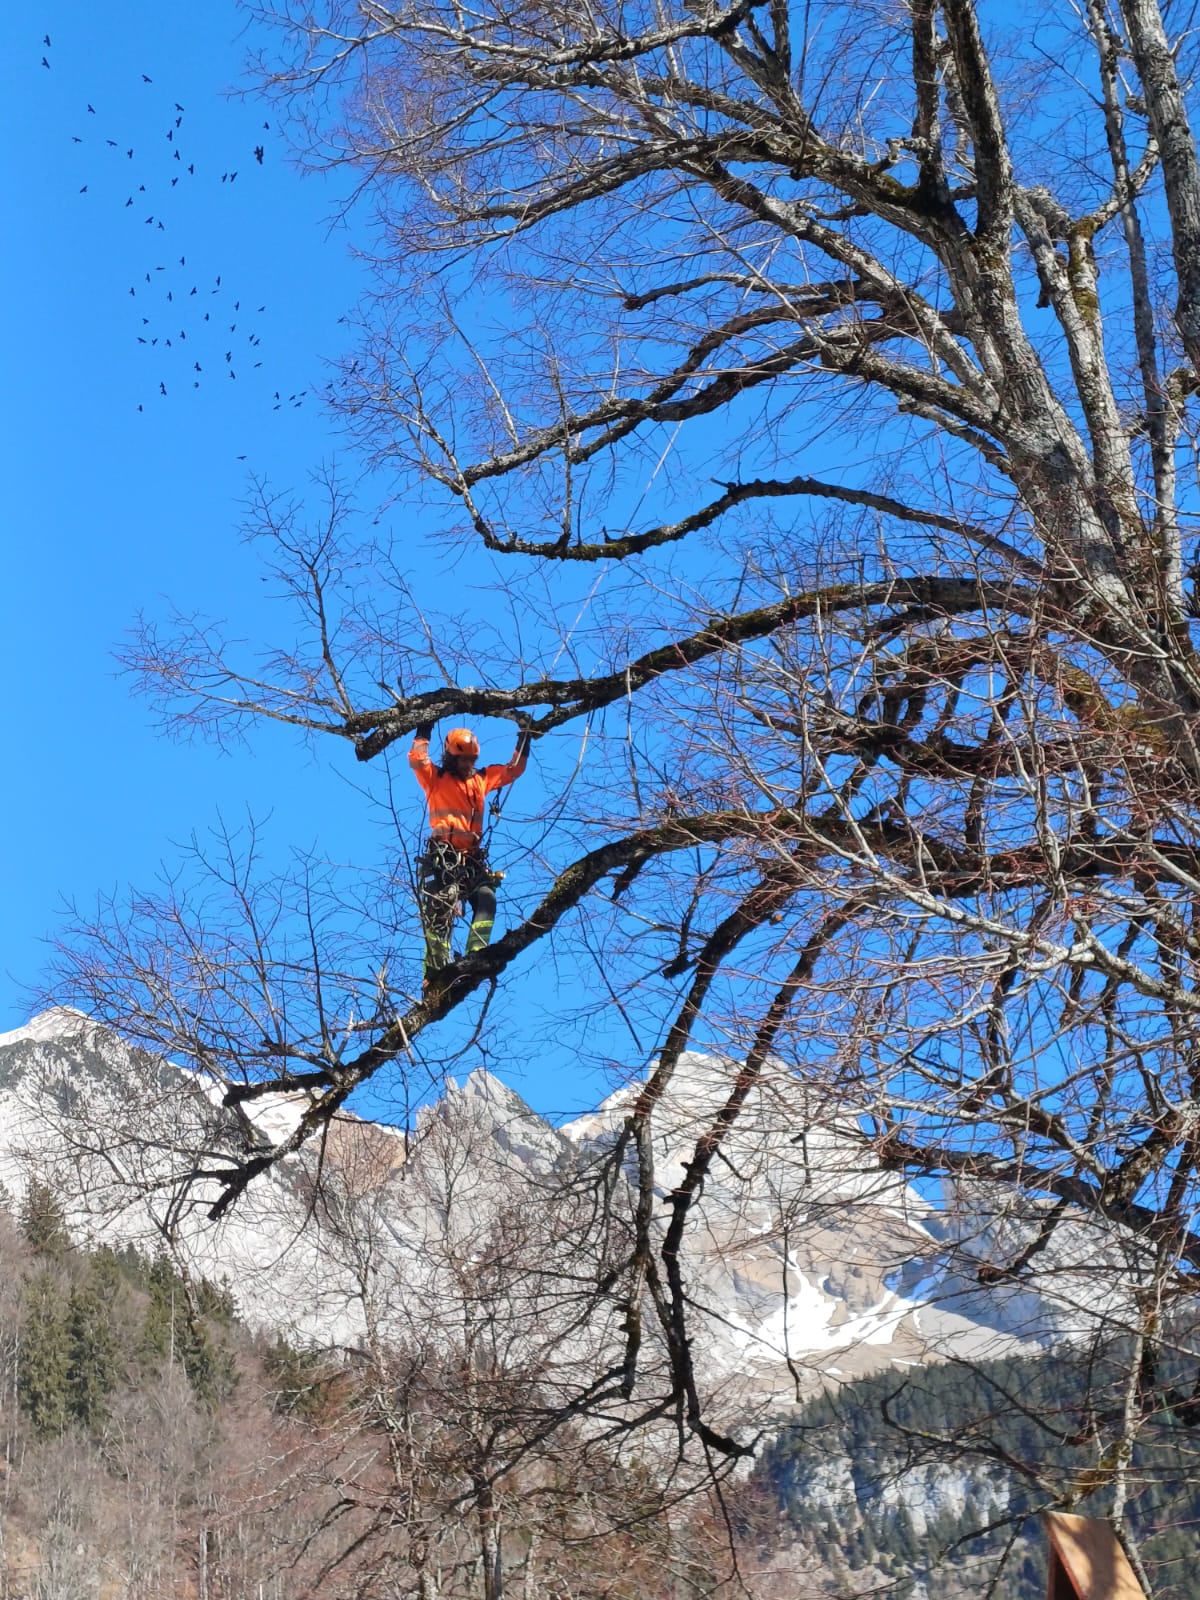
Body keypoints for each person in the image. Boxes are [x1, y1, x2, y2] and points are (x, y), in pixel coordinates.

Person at [409, 721, 531, 985]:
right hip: (443, 858)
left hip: (472, 861)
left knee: (487, 900)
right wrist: (423, 732)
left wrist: (525, 738)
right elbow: (418, 760)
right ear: (451, 758)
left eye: (471, 760)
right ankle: (435, 973)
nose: (468, 764)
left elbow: (514, 769)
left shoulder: (481, 780)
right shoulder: (436, 779)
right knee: (441, 911)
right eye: (463, 759)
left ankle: (476, 955)